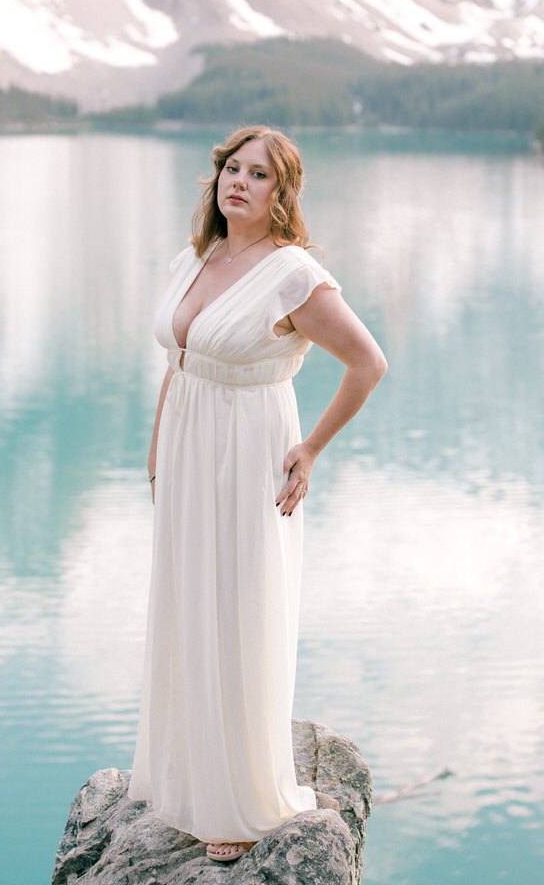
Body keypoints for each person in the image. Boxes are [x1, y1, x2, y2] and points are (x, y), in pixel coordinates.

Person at [128, 126, 387, 862]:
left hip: (248, 454)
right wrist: (156, 449)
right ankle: (186, 779)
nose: (239, 182)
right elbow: (180, 359)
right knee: (187, 602)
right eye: (231, 169)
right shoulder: (196, 258)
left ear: (283, 195)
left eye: (260, 175)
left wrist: (310, 448)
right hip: (184, 449)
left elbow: (368, 363)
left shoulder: (292, 275)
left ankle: (236, 805)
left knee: (237, 607)